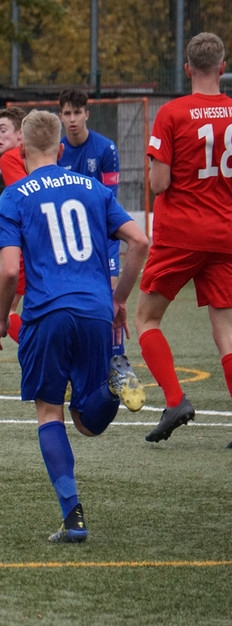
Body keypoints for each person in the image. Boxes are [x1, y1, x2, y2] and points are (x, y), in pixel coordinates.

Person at [0, 110, 149, 543]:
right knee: (88, 420)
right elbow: (140, 241)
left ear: (21, 151)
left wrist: (2, 319)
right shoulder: (95, 190)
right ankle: (115, 381)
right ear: (62, 150)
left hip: (47, 314)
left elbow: (8, 273)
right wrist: (119, 300)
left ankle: (73, 517)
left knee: (50, 414)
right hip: (97, 311)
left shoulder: (13, 197)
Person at [136, 31, 232, 445]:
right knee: (226, 329)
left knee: (146, 318)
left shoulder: (172, 113)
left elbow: (159, 184)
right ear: (223, 69)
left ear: (188, 68)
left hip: (180, 234)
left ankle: (175, 400)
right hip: (225, 233)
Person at [57, 88, 127, 360]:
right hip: (68, 242)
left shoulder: (105, 149)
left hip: (102, 238)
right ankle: (77, 365)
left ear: (87, 114)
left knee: (109, 302)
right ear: (60, 116)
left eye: (77, 112)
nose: (72, 118)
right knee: (71, 304)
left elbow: (112, 201)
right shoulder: (58, 152)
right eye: (67, 113)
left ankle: (118, 362)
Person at [0, 105, 28, 343]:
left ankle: (46, 358)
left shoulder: (9, 158)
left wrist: (6, 201)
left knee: (2, 313)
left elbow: (27, 196)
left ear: (20, 135)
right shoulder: (34, 156)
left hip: (26, 247)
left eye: (3, 129)